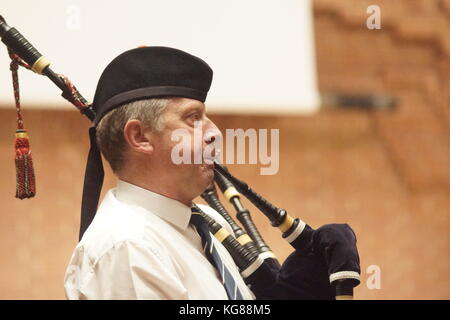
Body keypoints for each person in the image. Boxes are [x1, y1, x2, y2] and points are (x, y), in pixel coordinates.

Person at [63, 46, 255, 299]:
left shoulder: (207, 221)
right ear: (140, 136)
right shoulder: (128, 246)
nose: (214, 133)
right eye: (193, 118)